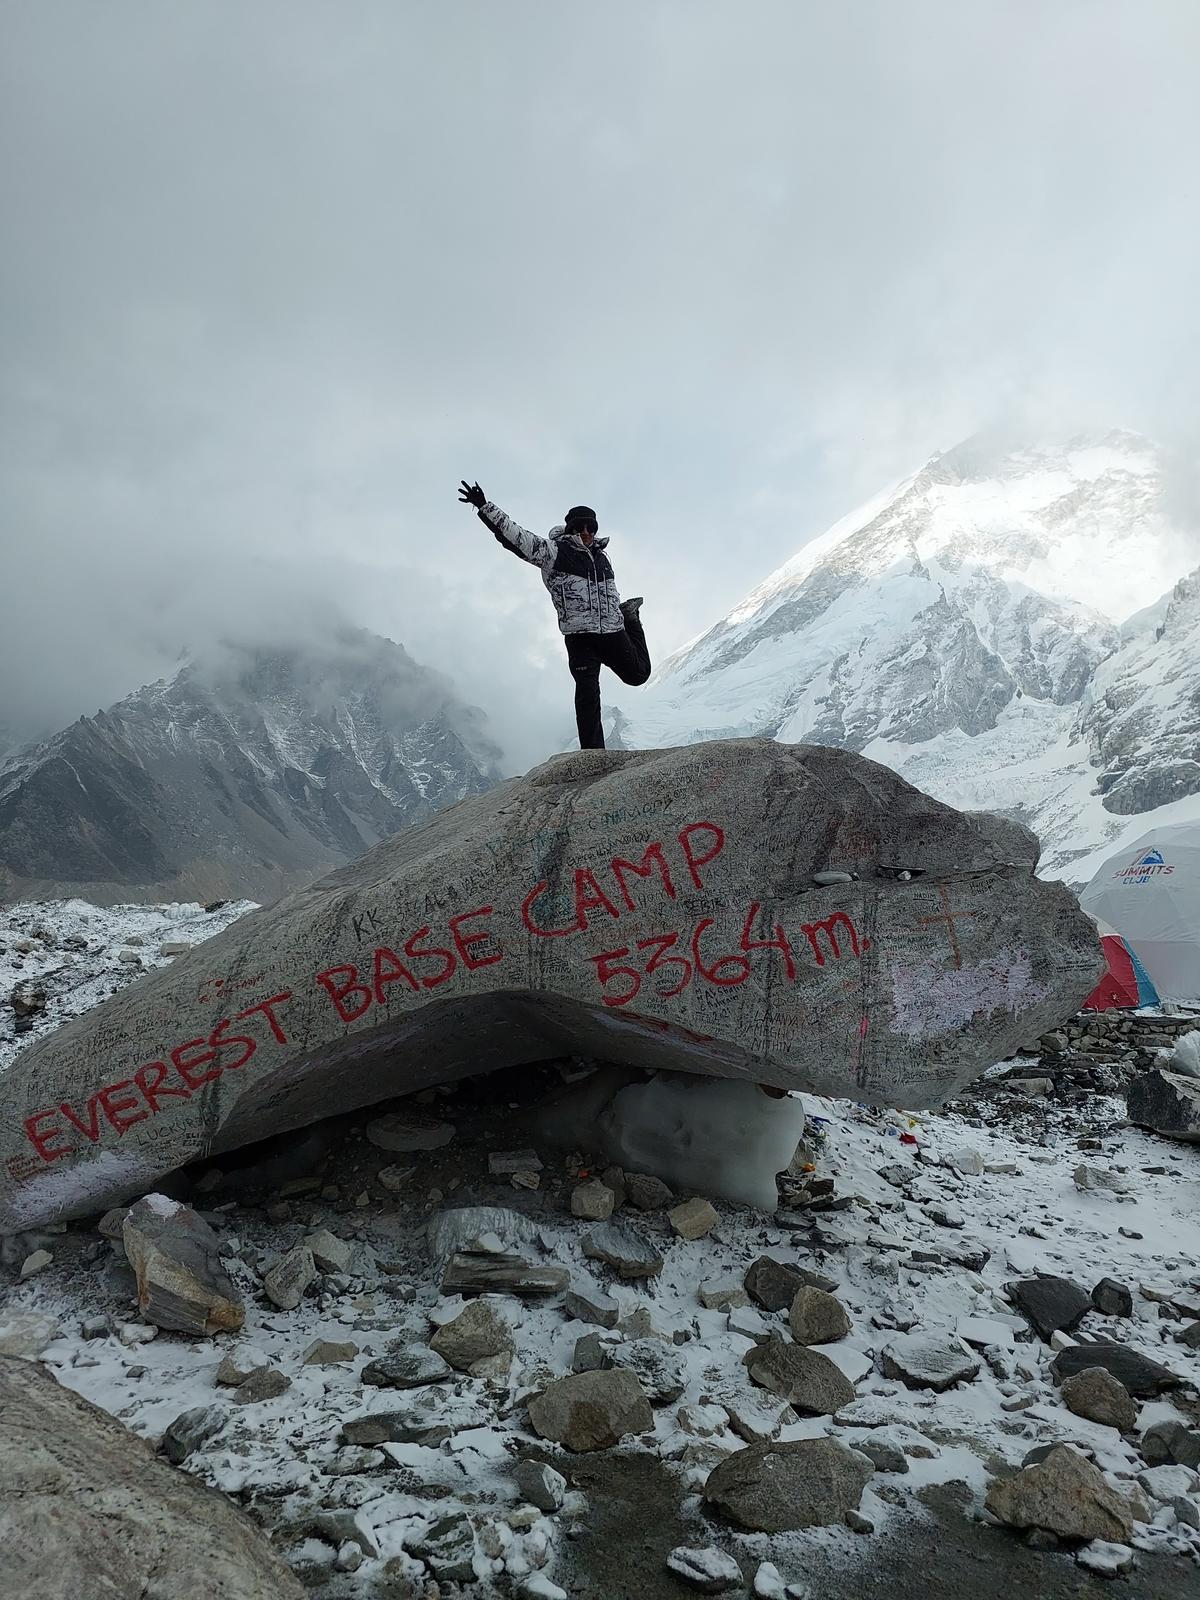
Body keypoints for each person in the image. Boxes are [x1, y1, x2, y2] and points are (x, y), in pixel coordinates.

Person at [457, 480, 650, 750]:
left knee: (638, 675)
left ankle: (631, 617)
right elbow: (516, 538)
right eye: (580, 527)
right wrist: (484, 506)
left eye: (591, 527)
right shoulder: (554, 552)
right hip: (579, 635)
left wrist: (620, 615)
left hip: (613, 630)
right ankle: (594, 756)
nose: (586, 532)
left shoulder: (602, 557)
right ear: (570, 529)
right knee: (587, 693)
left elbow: (609, 592)